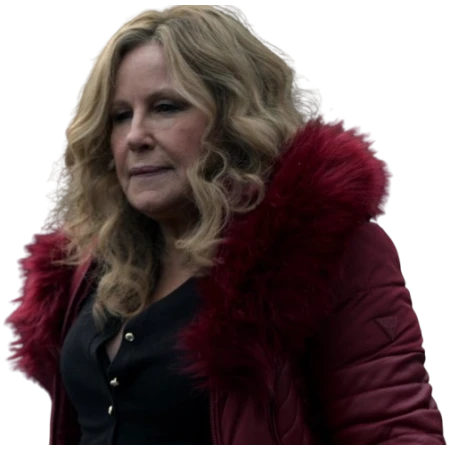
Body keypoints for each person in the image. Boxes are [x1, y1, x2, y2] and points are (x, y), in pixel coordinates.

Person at [4, 4, 446, 448]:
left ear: (232, 119)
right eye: (120, 115)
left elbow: (396, 432)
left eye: (165, 107)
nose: (135, 135)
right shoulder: (89, 265)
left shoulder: (321, 250)